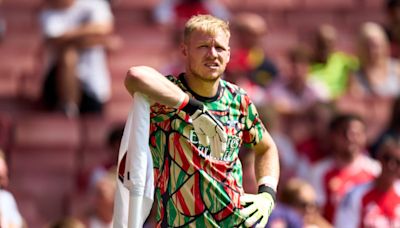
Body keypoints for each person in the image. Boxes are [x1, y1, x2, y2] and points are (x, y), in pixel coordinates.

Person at [121, 14, 280, 227]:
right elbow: (135, 76)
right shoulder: (167, 95)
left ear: (229, 54)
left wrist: (267, 194)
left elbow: (266, 147)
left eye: (220, 48)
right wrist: (193, 109)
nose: (212, 54)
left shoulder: (238, 99)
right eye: (203, 46)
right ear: (185, 50)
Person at [39, 0, 114, 117]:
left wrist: (68, 38)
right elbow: (55, 40)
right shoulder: (48, 12)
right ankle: (68, 106)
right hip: (56, 84)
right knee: (68, 55)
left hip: (92, 84)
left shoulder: (94, 4)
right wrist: (96, 39)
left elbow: (103, 29)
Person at [307, 114, 381, 223]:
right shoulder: (319, 172)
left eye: (357, 134)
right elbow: (313, 213)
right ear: (333, 136)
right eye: (345, 133)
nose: (351, 138)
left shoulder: (376, 170)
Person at [335, 136, 400, 228]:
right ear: (379, 158)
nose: (391, 165)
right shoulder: (355, 193)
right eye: (387, 158)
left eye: (398, 162)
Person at [308, 24, 359, 100]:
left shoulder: (345, 62)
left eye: (329, 42)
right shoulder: (307, 65)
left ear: (334, 43)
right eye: (321, 42)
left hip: (340, 104)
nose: (325, 45)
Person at [0, 149, 25, 228]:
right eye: (0, 178)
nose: (6, 182)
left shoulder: (6, 199)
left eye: (6, 175)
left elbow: (21, 225)